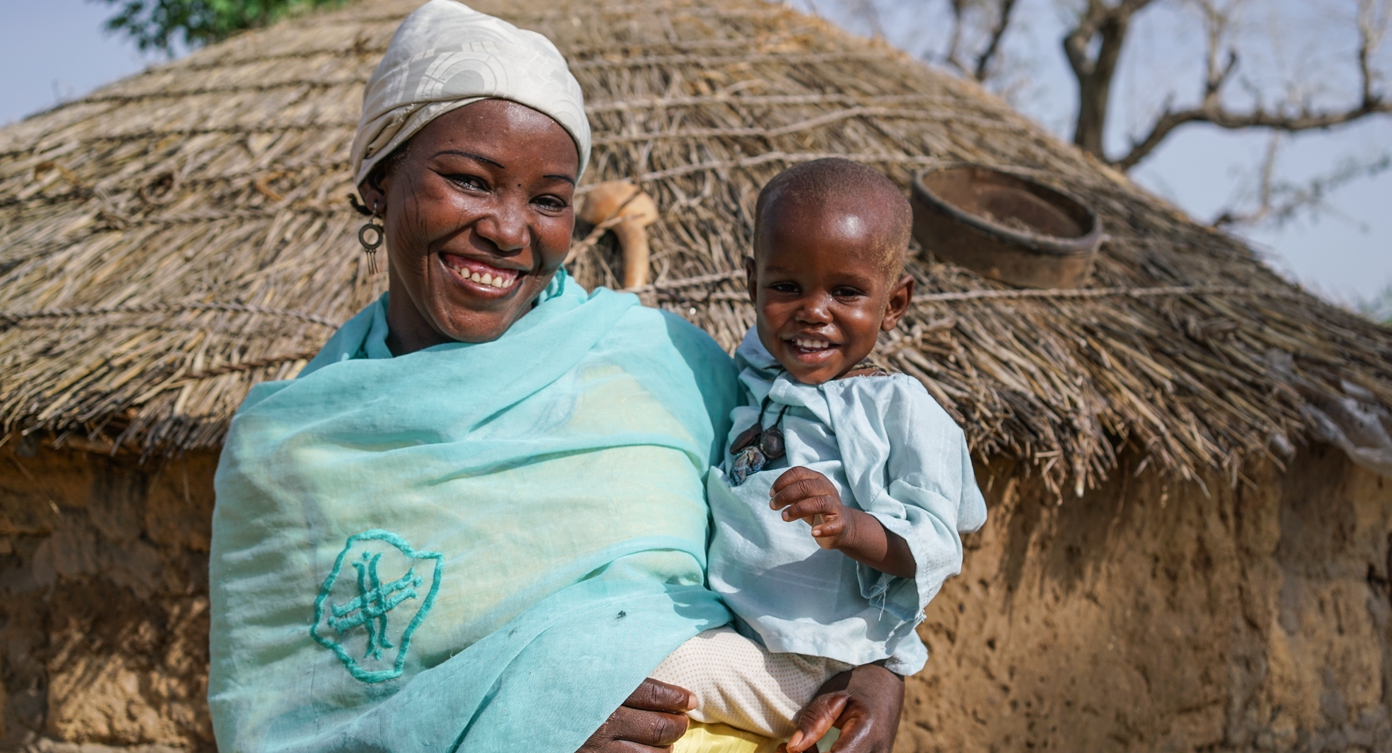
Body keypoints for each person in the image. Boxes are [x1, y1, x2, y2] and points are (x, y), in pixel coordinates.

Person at [206, 3, 905, 752]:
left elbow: (814, 537)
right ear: (381, 179)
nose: (509, 230)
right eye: (471, 180)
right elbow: (285, 724)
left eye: (547, 200)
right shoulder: (290, 451)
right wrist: (538, 722)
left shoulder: (669, 366)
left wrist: (882, 668)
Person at [648, 159, 987, 751]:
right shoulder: (756, 371)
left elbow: (936, 544)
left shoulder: (899, 410)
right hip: (735, 625)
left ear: (894, 302)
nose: (813, 310)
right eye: (786, 287)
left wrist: (851, 525)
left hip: (811, 663)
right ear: (753, 282)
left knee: (656, 672)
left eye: (847, 292)